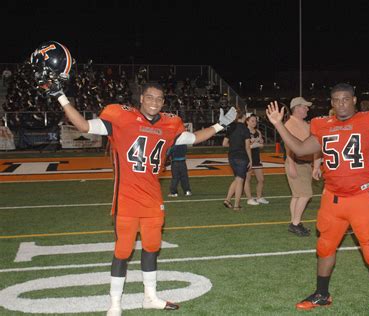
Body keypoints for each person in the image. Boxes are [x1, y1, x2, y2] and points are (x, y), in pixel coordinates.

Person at [48, 82, 236, 315]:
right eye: (150, 97)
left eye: (159, 99)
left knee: (151, 247)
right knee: (123, 251)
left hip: (152, 198)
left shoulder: (170, 124)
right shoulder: (121, 117)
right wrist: (61, 97)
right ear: (141, 99)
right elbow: (83, 125)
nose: (154, 102)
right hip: (126, 198)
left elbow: (194, 138)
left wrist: (220, 125)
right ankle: (115, 304)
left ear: (163, 102)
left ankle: (150, 297)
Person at [266, 83, 369, 315]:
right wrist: (278, 124)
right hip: (332, 198)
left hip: (363, 197)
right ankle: (322, 294)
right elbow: (299, 148)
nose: (340, 104)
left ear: (354, 100)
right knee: (324, 247)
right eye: (335, 100)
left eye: (345, 99)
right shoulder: (322, 125)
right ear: (331, 103)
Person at [284, 97, 318, 237]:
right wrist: (291, 163)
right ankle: (295, 224)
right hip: (297, 163)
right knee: (305, 194)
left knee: (297, 195)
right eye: (305, 107)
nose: (307, 109)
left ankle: (295, 222)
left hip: (303, 164)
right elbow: (289, 146)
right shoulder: (291, 124)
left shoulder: (302, 123)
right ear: (297, 108)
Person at [222, 110, 252, 211]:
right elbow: (248, 147)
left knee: (237, 179)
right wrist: (250, 160)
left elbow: (224, 143)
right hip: (241, 156)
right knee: (240, 181)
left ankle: (227, 200)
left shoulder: (231, 127)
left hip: (231, 156)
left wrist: (234, 145)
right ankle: (236, 205)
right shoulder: (245, 128)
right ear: (243, 117)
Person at [244, 114, 269, 205]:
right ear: (247, 121)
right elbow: (245, 147)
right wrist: (256, 143)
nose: (254, 123)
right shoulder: (244, 131)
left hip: (256, 158)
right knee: (247, 179)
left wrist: (260, 142)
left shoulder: (258, 131)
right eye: (252, 121)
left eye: (255, 121)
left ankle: (259, 197)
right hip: (247, 158)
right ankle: (249, 199)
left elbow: (261, 144)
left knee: (261, 179)